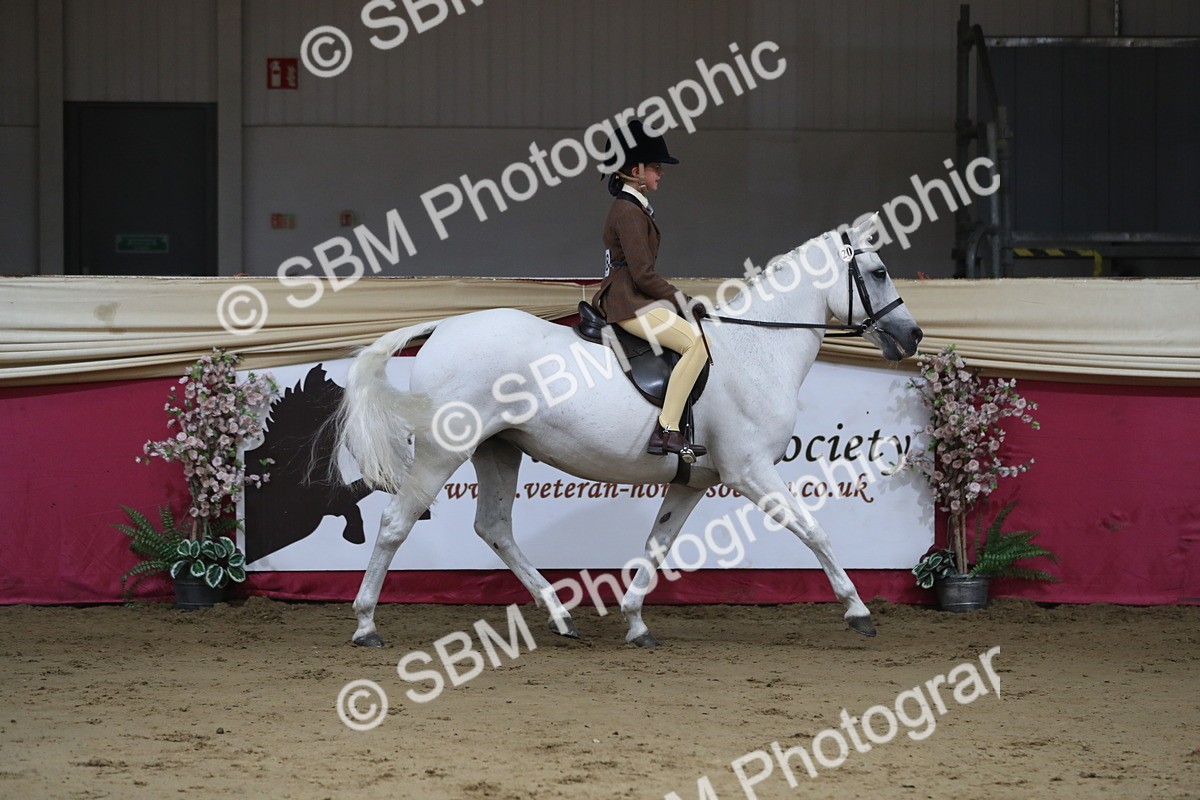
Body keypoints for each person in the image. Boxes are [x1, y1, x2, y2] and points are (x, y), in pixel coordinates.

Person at [591, 120, 708, 460]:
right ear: (634, 171)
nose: (661, 173)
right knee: (697, 344)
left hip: (634, 299)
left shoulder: (635, 207)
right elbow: (642, 274)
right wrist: (683, 302)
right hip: (629, 303)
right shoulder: (628, 212)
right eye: (656, 167)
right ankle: (667, 430)